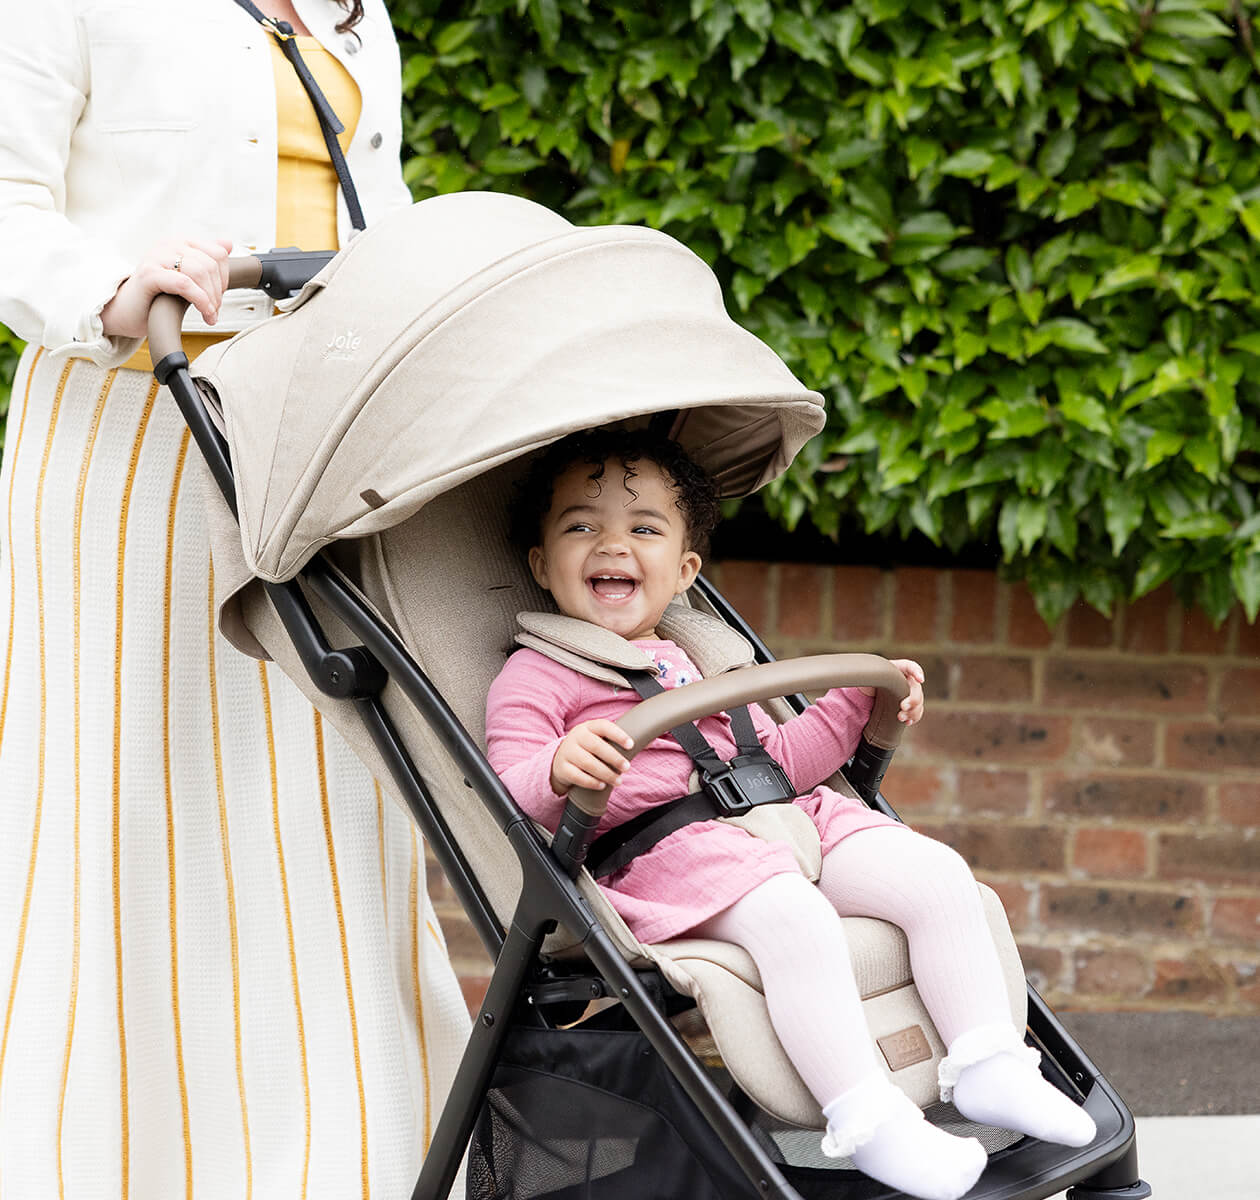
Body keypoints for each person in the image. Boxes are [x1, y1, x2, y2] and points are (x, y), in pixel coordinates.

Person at [0, 3, 468, 1197]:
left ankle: (348, 1158)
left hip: (311, 448)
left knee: (337, 794)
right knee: (122, 799)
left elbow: (377, 216)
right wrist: (114, 288)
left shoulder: (358, 14)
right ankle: (98, 1162)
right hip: (129, 440)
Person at [486, 429, 1096, 1200]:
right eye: (582, 526)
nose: (612, 544)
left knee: (936, 875)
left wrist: (856, 705)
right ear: (542, 565)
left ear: (685, 571)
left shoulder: (702, 656)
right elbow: (510, 780)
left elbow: (780, 759)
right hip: (672, 850)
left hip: (786, 813)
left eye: (643, 528)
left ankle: (989, 1063)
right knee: (796, 918)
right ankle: (867, 1119)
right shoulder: (536, 674)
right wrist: (557, 766)